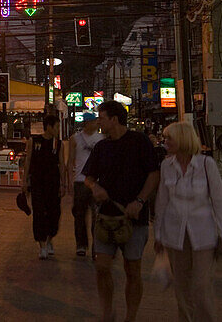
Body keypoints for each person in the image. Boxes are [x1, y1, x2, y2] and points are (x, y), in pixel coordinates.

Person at [82, 100, 161, 322]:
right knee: (102, 266)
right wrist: (95, 187)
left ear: (114, 119)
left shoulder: (139, 141)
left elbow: (153, 174)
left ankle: (131, 317)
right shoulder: (101, 147)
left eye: (102, 118)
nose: (99, 123)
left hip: (134, 218)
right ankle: (107, 312)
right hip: (106, 217)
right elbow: (88, 177)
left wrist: (140, 200)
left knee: (132, 269)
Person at [154, 121, 222, 322]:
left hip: (203, 234)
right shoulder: (166, 166)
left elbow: (220, 201)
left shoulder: (206, 165)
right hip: (175, 234)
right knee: (182, 287)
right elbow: (162, 201)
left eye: (169, 138)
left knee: (201, 286)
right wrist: (158, 235)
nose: (166, 141)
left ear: (182, 139)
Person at [23, 114, 66, 259]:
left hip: (53, 184)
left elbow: (61, 164)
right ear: (49, 127)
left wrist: (63, 183)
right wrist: (24, 182)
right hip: (37, 183)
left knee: (54, 214)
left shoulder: (58, 144)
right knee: (39, 214)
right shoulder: (34, 141)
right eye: (57, 126)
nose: (58, 129)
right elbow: (28, 161)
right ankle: (42, 246)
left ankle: (49, 240)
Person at [68, 112, 103, 257]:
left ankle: (97, 246)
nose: (97, 123)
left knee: (97, 216)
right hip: (80, 181)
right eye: (95, 121)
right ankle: (81, 245)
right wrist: (69, 180)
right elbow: (70, 160)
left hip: (97, 182)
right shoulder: (75, 139)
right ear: (87, 123)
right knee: (80, 215)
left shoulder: (102, 138)